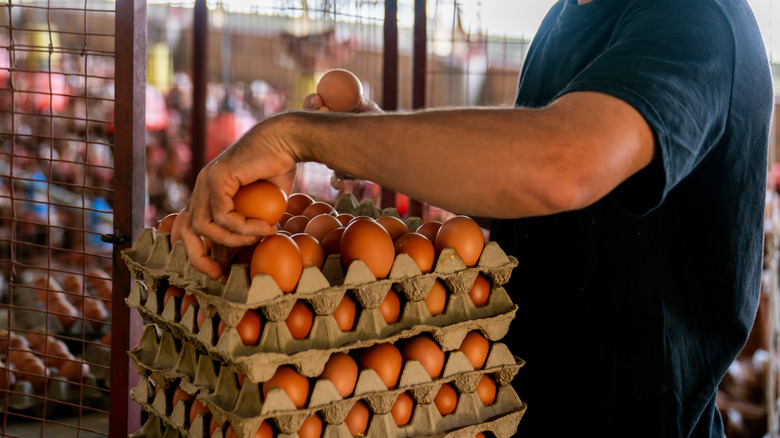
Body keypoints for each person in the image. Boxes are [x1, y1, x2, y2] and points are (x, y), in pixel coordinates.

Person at [176, 0, 773, 435]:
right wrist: (371, 136)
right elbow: (527, 194)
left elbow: (560, 164)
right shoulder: (570, 16)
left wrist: (301, 137)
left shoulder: (695, 20)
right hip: (512, 405)